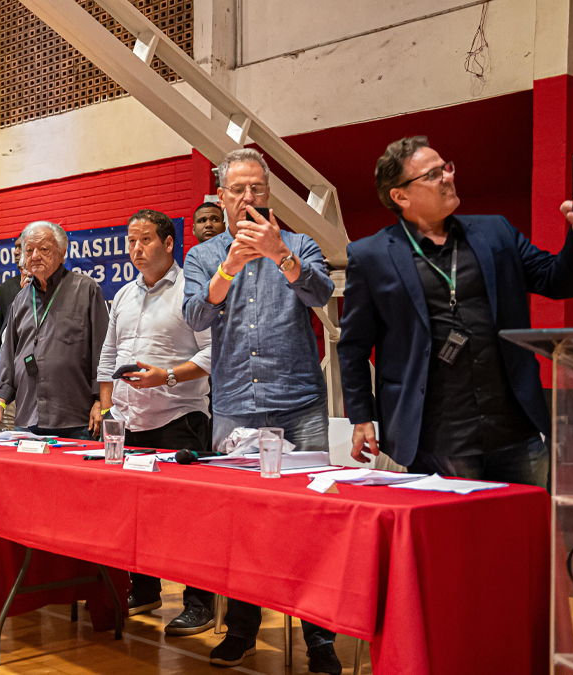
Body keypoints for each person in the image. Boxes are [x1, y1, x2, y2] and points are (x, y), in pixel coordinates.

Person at [338, 136, 573, 485]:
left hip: (514, 431)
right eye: (433, 174)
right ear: (400, 196)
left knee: (526, 531)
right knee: (458, 537)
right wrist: (361, 417)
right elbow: (354, 347)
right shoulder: (370, 255)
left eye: (446, 167)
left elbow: (559, 282)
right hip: (438, 437)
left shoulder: (495, 232)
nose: (448, 177)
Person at [182, 149, 341, 673]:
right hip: (235, 408)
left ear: (268, 194)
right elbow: (195, 316)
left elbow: (321, 291)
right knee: (241, 525)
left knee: (310, 521)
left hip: (299, 402)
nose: (248, 198)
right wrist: (228, 268)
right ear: (221, 197)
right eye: (238, 190)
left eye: (257, 189)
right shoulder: (204, 256)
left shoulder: (297, 244)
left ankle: (320, 639)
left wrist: (281, 256)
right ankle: (242, 630)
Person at [96, 209, 214, 635]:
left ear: (168, 243)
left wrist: (166, 376)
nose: (135, 249)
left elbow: (212, 353)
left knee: (187, 518)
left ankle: (199, 602)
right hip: (129, 420)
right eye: (130, 241)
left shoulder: (192, 291)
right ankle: (143, 588)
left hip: (180, 418)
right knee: (135, 513)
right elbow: (108, 356)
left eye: (144, 240)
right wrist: (107, 407)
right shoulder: (124, 295)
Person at [0, 221, 109, 438]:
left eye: (44, 249)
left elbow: (103, 350)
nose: (35, 256)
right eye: (29, 250)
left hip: (75, 417)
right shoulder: (20, 300)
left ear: (62, 253)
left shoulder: (86, 289)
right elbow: (9, 357)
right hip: (28, 416)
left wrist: (100, 401)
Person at [0, 234, 29, 431]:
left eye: (21, 247)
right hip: (7, 380)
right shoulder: (7, 288)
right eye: (15, 247)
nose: (16, 251)